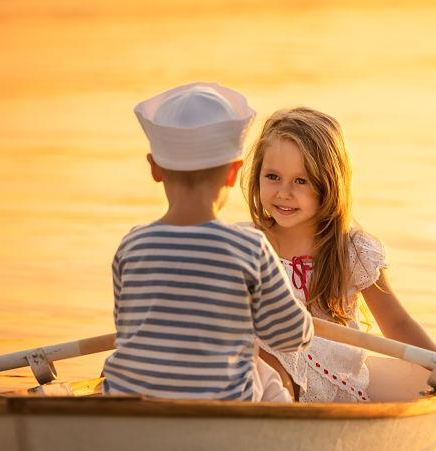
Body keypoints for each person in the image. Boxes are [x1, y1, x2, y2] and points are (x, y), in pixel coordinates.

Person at [102, 83, 313, 402]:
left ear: (155, 168)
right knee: (267, 380)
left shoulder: (132, 246)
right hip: (222, 409)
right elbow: (290, 335)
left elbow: (130, 329)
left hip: (132, 406)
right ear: (233, 173)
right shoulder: (249, 248)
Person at [244, 107, 436, 403]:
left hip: (331, 386)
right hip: (268, 385)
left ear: (329, 184)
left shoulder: (351, 251)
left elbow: (396, 323)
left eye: (301, 181)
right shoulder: (246, 244)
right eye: (273, 176)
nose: (284, 193)